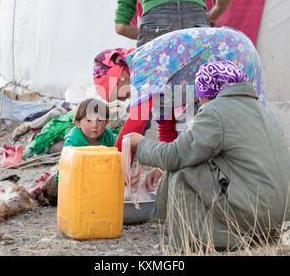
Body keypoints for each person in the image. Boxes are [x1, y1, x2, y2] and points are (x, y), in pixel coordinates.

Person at [124, 60, 290, 251]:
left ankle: (200, 238)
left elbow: (176, 155)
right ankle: (266, 233)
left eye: (200, 96)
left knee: (184, 169)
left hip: (259, 212)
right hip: (289, 212)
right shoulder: (262, 111)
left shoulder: (215, 111)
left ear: (207, 93)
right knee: (190, 161)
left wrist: (141, 143)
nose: (200, 103)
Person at [93, 26, 267, 190]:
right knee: (223, 128)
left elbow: (136, 121)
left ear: (120, 77)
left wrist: (111, 170)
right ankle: (244, 183)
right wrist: (162, 169)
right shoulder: (154, 86)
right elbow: (166, 130)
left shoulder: (141, 64)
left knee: (236, 125)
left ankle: (253, 185)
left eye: (117, 94)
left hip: (231, 50)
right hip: (235, 49)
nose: (123, 98)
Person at [29, 99, 116, 205]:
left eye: (100, 120)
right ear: (78, 123)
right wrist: (60, 181)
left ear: (106, 122)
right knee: (53, 196)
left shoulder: (108, 136)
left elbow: (115, 158)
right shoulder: (74, 140)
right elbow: (65, 163)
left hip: (98, 176)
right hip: (75, 177)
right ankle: (39, 193)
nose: (95, 125)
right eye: (89, 120)